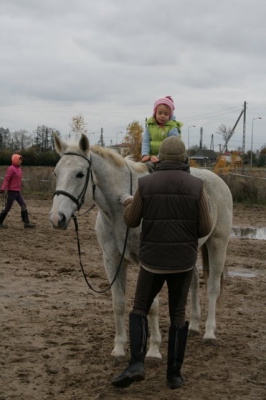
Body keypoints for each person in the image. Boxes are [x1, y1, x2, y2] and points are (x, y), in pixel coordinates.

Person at [111, 136, 212, 390]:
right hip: (184, 263)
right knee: (178, 314)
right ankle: (174, 375)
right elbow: (205, 227)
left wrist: (129, 203)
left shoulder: (145, 184)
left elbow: (132, 221)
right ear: (184, 159)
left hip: (152, 262)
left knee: (139, 309)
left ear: (161, 159)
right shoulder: (197, 186)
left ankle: (136, 364)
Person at [141, 96, 183, 164]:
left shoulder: (172, 128)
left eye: (166, 114)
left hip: (168, 158)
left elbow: (172, 146)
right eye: (160, 113)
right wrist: (145, 154)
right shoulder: (150, 126)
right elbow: (145, 141)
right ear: (155, 113)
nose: (162, 116)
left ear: (170, 115)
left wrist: (159, 157)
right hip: (151, 158)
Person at [0, 154, 36, 229]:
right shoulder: (11, 169)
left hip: (17, 191)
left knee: (23, 205)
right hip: (12, 191)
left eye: (21, 159)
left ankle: (26, 222)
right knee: (7, 208)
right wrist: (2, 188)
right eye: (19, 159)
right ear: (15, 160)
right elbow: (7, 179)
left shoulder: (19, 169)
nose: (20, 161)